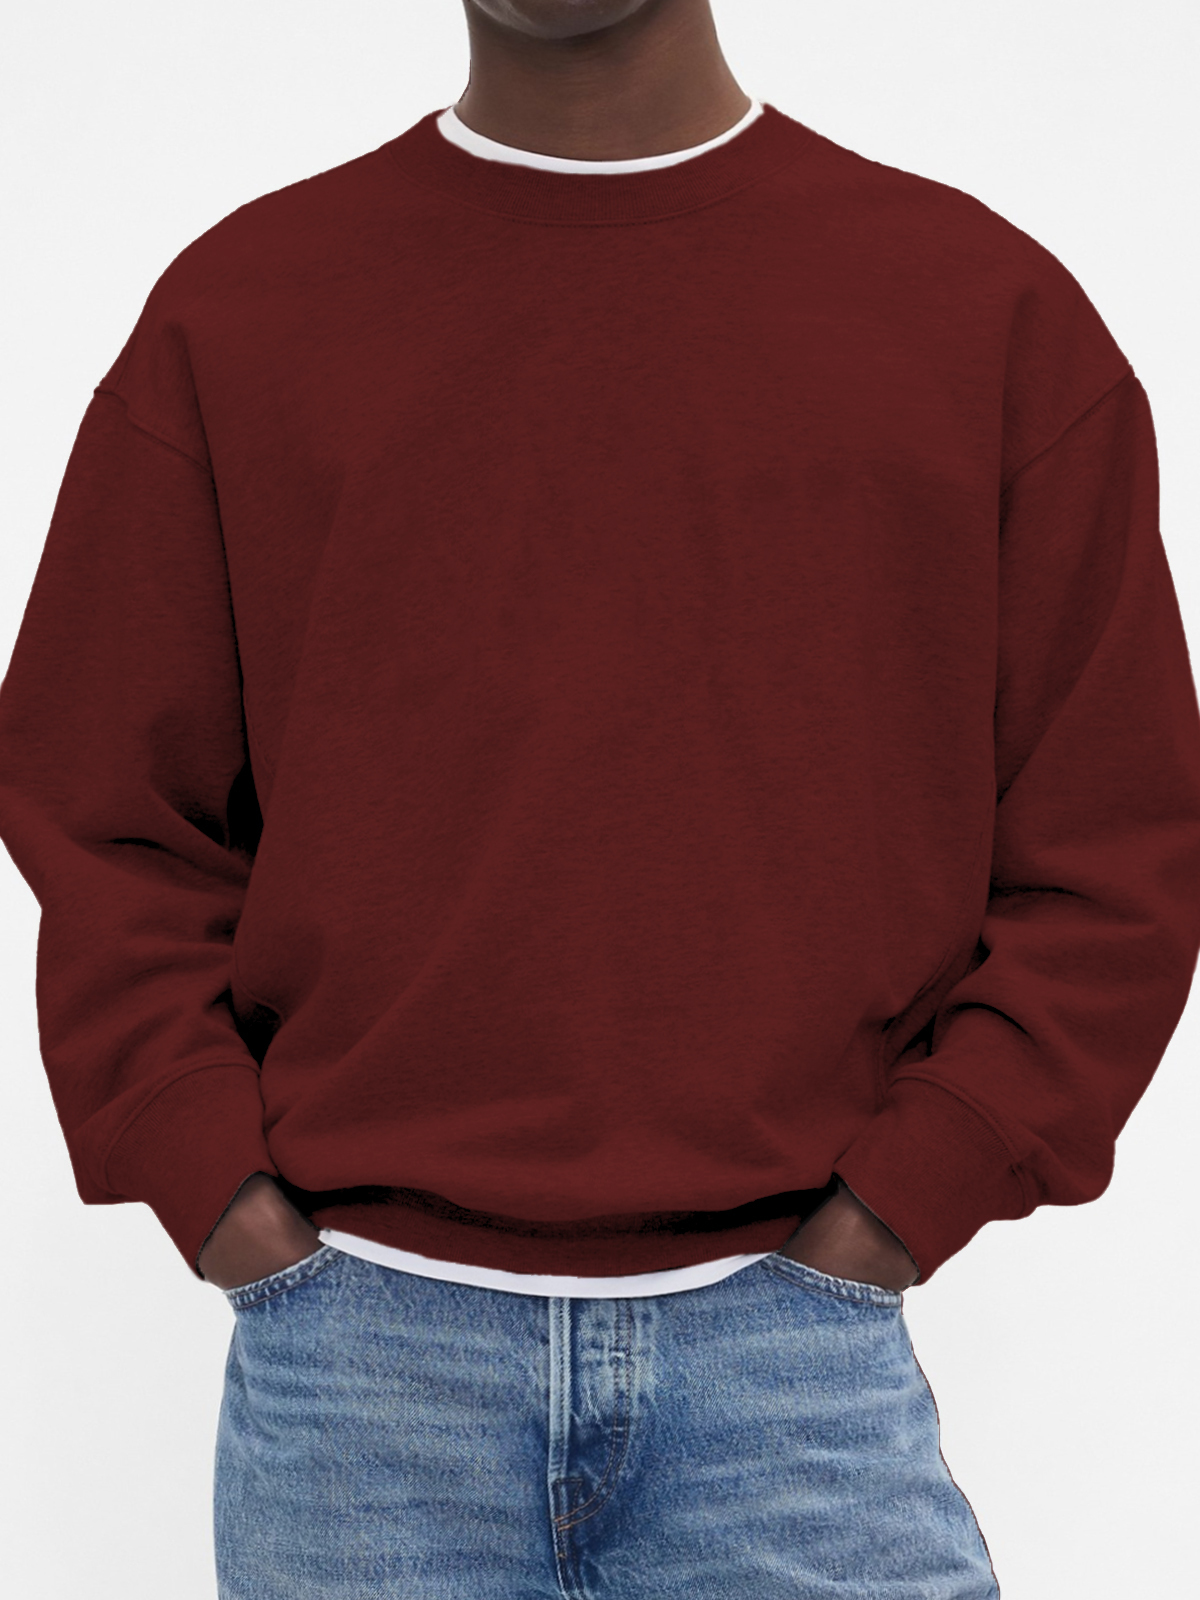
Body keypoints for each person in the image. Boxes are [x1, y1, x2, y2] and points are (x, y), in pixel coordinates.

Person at [1, 0, 1198, 1594]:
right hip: (361, 1371)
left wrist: (920, 1186)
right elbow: (103, 808)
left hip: (797, 1367)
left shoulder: (984, 316)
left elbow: (1118, 842)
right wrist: (211, 1178)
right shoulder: (241, 315)